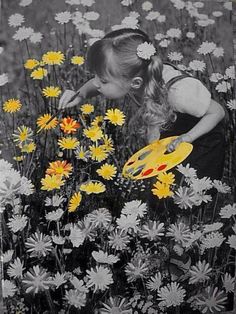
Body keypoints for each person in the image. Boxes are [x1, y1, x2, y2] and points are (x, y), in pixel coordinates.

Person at [59, 28, 226, 180]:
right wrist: (81, 95)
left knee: (191, 193)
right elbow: (95, 86)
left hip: (201, 142)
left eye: (102, 80)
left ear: (135, 83)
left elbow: (217, 112)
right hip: (172, 137)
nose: (95, 83)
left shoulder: (179, 93)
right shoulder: (135, 77)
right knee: (160, 189)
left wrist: (188, 137)